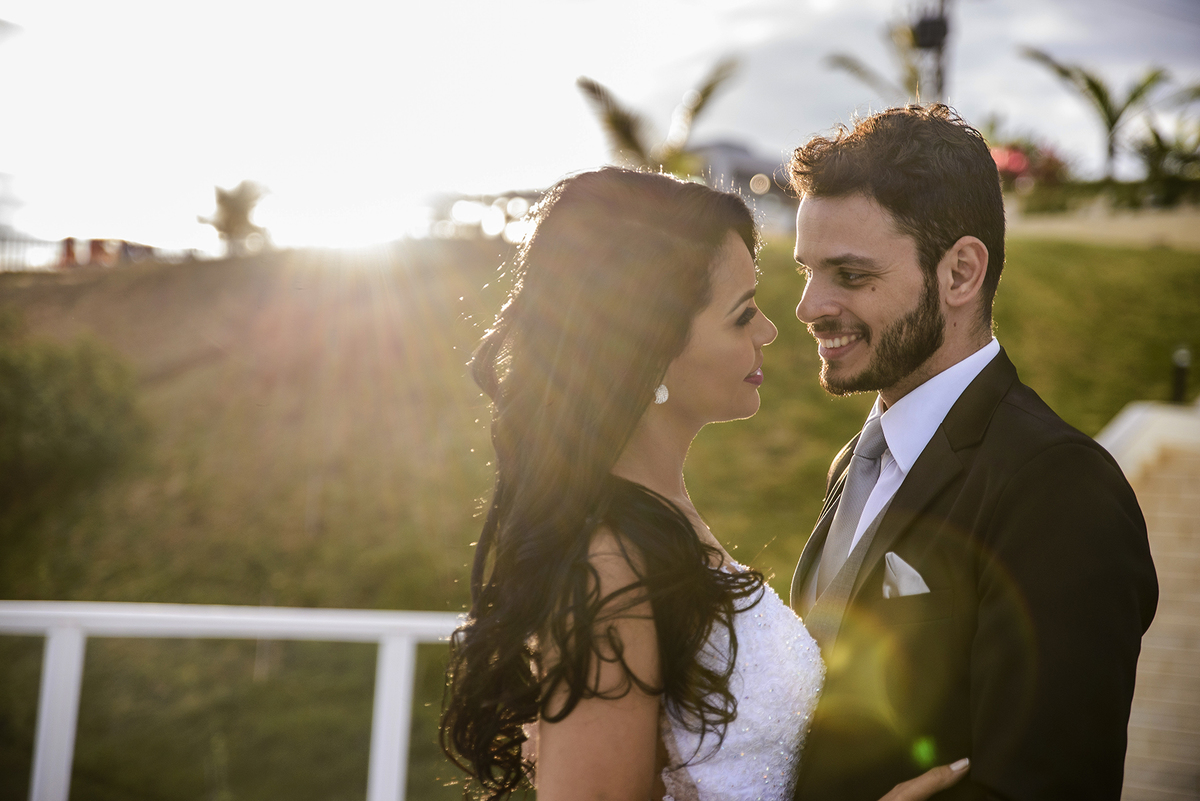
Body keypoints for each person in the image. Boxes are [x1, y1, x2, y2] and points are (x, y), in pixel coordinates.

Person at [439, 167, 969, 800]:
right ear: (649, 346)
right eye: (742, 314)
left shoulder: (659, 517)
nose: (771, 330)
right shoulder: (609, 570)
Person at [786, 104, 1159, 800]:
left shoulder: (1059, 487)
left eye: (850, 274)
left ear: (960, 272)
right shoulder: (855, 460)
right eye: (807, 269)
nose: (809, 304)